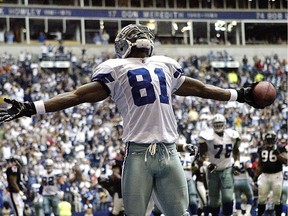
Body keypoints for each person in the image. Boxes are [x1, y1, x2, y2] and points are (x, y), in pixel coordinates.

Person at [0, 24, 263, 215]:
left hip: (142, 153)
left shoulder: (116, 68)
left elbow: (77, 95)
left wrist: (31, 108)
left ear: (124, 46)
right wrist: (238, 94)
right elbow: (201, 89)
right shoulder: (165, 64)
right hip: (164, 152)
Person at [198, 113, 241, 216]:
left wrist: (237, 163)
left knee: (227, 197)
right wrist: (207, 163)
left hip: (227, 168)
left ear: (224, 124)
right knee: (213, 199)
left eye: (220, 124)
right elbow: (201, 156)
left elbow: (236, 151)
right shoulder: (207, 136)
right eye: (216, 124)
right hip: (213, 170)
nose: (218, 126)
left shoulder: (232, 135)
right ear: (212, 124)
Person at [254, 131, 288, 216]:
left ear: (275, 140)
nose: (269, 142)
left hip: (277, 175)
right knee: (261, 199)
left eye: (271, 140)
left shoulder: (280, 148)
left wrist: (277, 153)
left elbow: (286, 161)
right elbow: (260, 164)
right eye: (268, 140)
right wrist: (256, 176)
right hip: (265, 175)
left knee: (277, 199)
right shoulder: (261, 148)